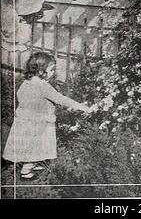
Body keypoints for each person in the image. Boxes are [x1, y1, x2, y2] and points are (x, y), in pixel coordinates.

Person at [3, 51, 91, 179]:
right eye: (51, 69)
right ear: (40, 71)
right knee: (37, 147)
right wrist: (81, 106)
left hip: (25, 121)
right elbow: (60, 98)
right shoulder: (43, 86)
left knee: (28, 145)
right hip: (40, 123)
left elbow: (21, 98)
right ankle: (26, 172)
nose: (53, 72)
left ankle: (30, 164)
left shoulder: (26, 83)